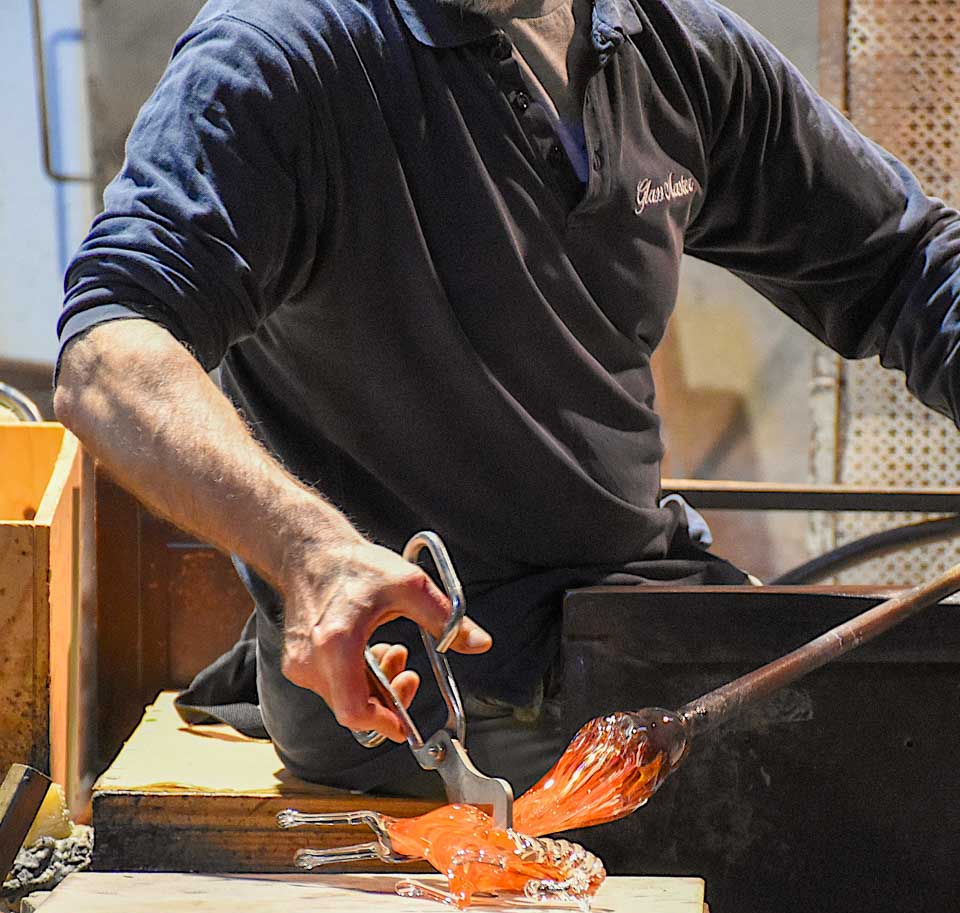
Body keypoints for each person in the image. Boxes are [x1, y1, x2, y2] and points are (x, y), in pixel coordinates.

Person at [54, 0, 960, 800]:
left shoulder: (668, 48)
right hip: (416, 686)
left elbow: (903, 263)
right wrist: (311, 552)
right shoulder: (284, 53)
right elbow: (110, 351)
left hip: (636, 610)